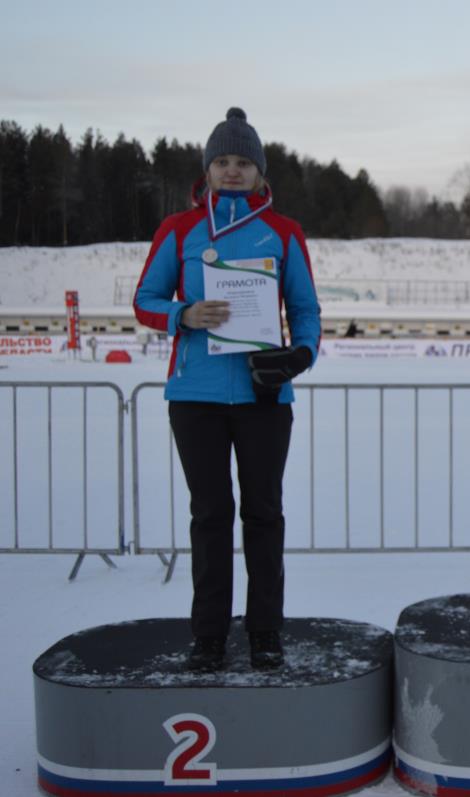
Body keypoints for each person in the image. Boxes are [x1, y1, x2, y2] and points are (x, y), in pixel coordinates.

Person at [133, 108, 321, 671]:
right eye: (222, 162)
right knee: (210, 515)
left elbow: (306, 310)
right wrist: (183, 314)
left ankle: (266, 631)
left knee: (264, 515)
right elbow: (145, 299)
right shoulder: (179, 230)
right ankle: (208, 635)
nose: (232, 171)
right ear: (207, 171)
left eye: (243, 162)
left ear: (261, 173)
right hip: (195, 397)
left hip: (264, 398)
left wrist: (302, 354)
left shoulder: (284, 233)